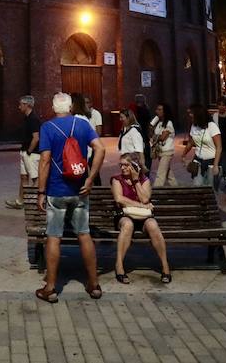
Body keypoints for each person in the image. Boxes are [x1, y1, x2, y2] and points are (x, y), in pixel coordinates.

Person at [36, 91, 106, 303]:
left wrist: (41, 191)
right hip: (80, 190)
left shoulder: (47, 127)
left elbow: (45, 160)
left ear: (53, 108)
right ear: (71, 107)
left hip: (57, 191)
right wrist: (90, 178)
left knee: (54, 237)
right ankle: (93, 285)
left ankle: (51, 288)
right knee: (84, 234)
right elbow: (100, 149)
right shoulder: (83, 125)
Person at [110, 152, 171, 284]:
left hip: (143, 218)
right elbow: (119, 199)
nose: (122, 168)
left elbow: (145, 198)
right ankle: (119, 265)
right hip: (124, 215)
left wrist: (136, 180)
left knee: (153, 225)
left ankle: (165, 266)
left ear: (135, 166)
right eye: (121, 165)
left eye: (126, 165)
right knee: (128, 225)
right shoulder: (116, 180)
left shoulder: (144, 180)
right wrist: (142, 206)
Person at [6, 96, 41, 209]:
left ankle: (34, 202)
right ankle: (20, 201)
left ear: (28, 105)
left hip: (32, 153)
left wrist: (29, 151)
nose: (19, 106)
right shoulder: (26, 118)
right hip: (25, 151)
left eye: (21, 104)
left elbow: (36, 137)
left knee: (35, 178)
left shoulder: (33, 119)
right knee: (24, 177)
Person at [181, 105, 221, 187]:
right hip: (198, 161)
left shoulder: (211, 126)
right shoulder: (194, 126)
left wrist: (216, 165)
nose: (190, 118)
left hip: (211, 161)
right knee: (197, 186)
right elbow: (191, 142)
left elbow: (219, 147)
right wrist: (183, 154)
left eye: (192, 116)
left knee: (211, 188)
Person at [149, 103, 177, 188]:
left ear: (165, 112)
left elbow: (162, 137)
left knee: (160, 174)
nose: (157, 111)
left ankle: (156, 192)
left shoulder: (169, 123)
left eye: (159, 109)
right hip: (160, 151)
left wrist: (155, 137)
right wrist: (152, 124)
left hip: (167, 152)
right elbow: (150, 133)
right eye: (157, 109)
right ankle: (176, 189)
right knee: (169, 175)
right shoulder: (159, 123)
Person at [133, 94, 153, 171]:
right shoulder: (146, 109)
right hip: (145, 133)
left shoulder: (137, 110)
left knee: (141, 153)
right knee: (146, 153)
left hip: (140, 133)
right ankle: (146, 169)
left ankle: (143, 170)